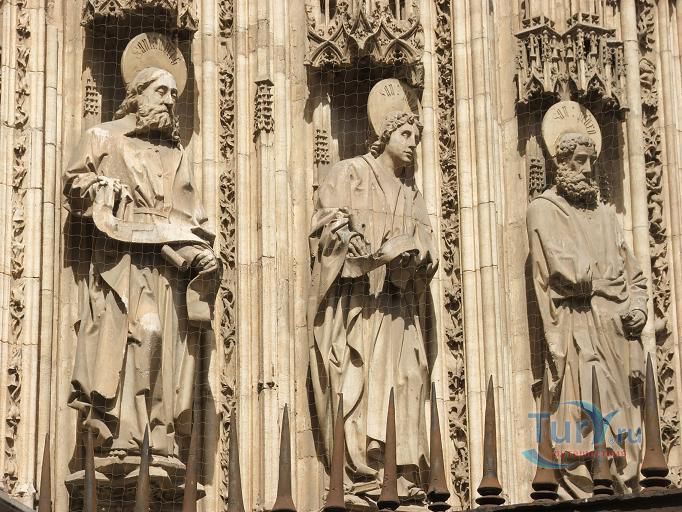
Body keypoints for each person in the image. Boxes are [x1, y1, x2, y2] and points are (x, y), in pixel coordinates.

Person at [64, 52, 218, 482]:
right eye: (161, 91)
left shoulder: (175, 154)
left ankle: (160, 441)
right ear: (137, 94)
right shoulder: (103, 136)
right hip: (122, 264)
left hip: (167, 268)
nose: (169, 100)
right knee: (143, 334)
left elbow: (191, 215)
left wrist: (201, 249)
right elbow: (73, 186)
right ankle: (123, 438)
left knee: (168, 355)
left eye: (174, 94)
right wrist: (102, 185)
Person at [308, 99, 438, 502]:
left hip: (399, 306)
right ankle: (363, 472)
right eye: (405, 134)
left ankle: (400, 474)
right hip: (360, 305)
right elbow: (325, 226)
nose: (413, 143)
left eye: (417, 136)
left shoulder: (412, 195)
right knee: (361, 381)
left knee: (411, 375)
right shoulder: (350, 172)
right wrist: (358, 246)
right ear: (385, 135)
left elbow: (429, 245)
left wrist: (416, 257)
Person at [527, 102, 647, 497]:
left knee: (625, 424)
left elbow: (635, 277)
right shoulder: (543, 210)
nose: (586, 169)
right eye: (578, 161)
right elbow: (561, 270)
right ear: (560, 163)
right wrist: (604, 283)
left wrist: (638, 307)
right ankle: (588, 483)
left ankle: (624, 483)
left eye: (590, 161)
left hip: (617, 336)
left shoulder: (608, 217)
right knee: (589, 412)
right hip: (579, 332)